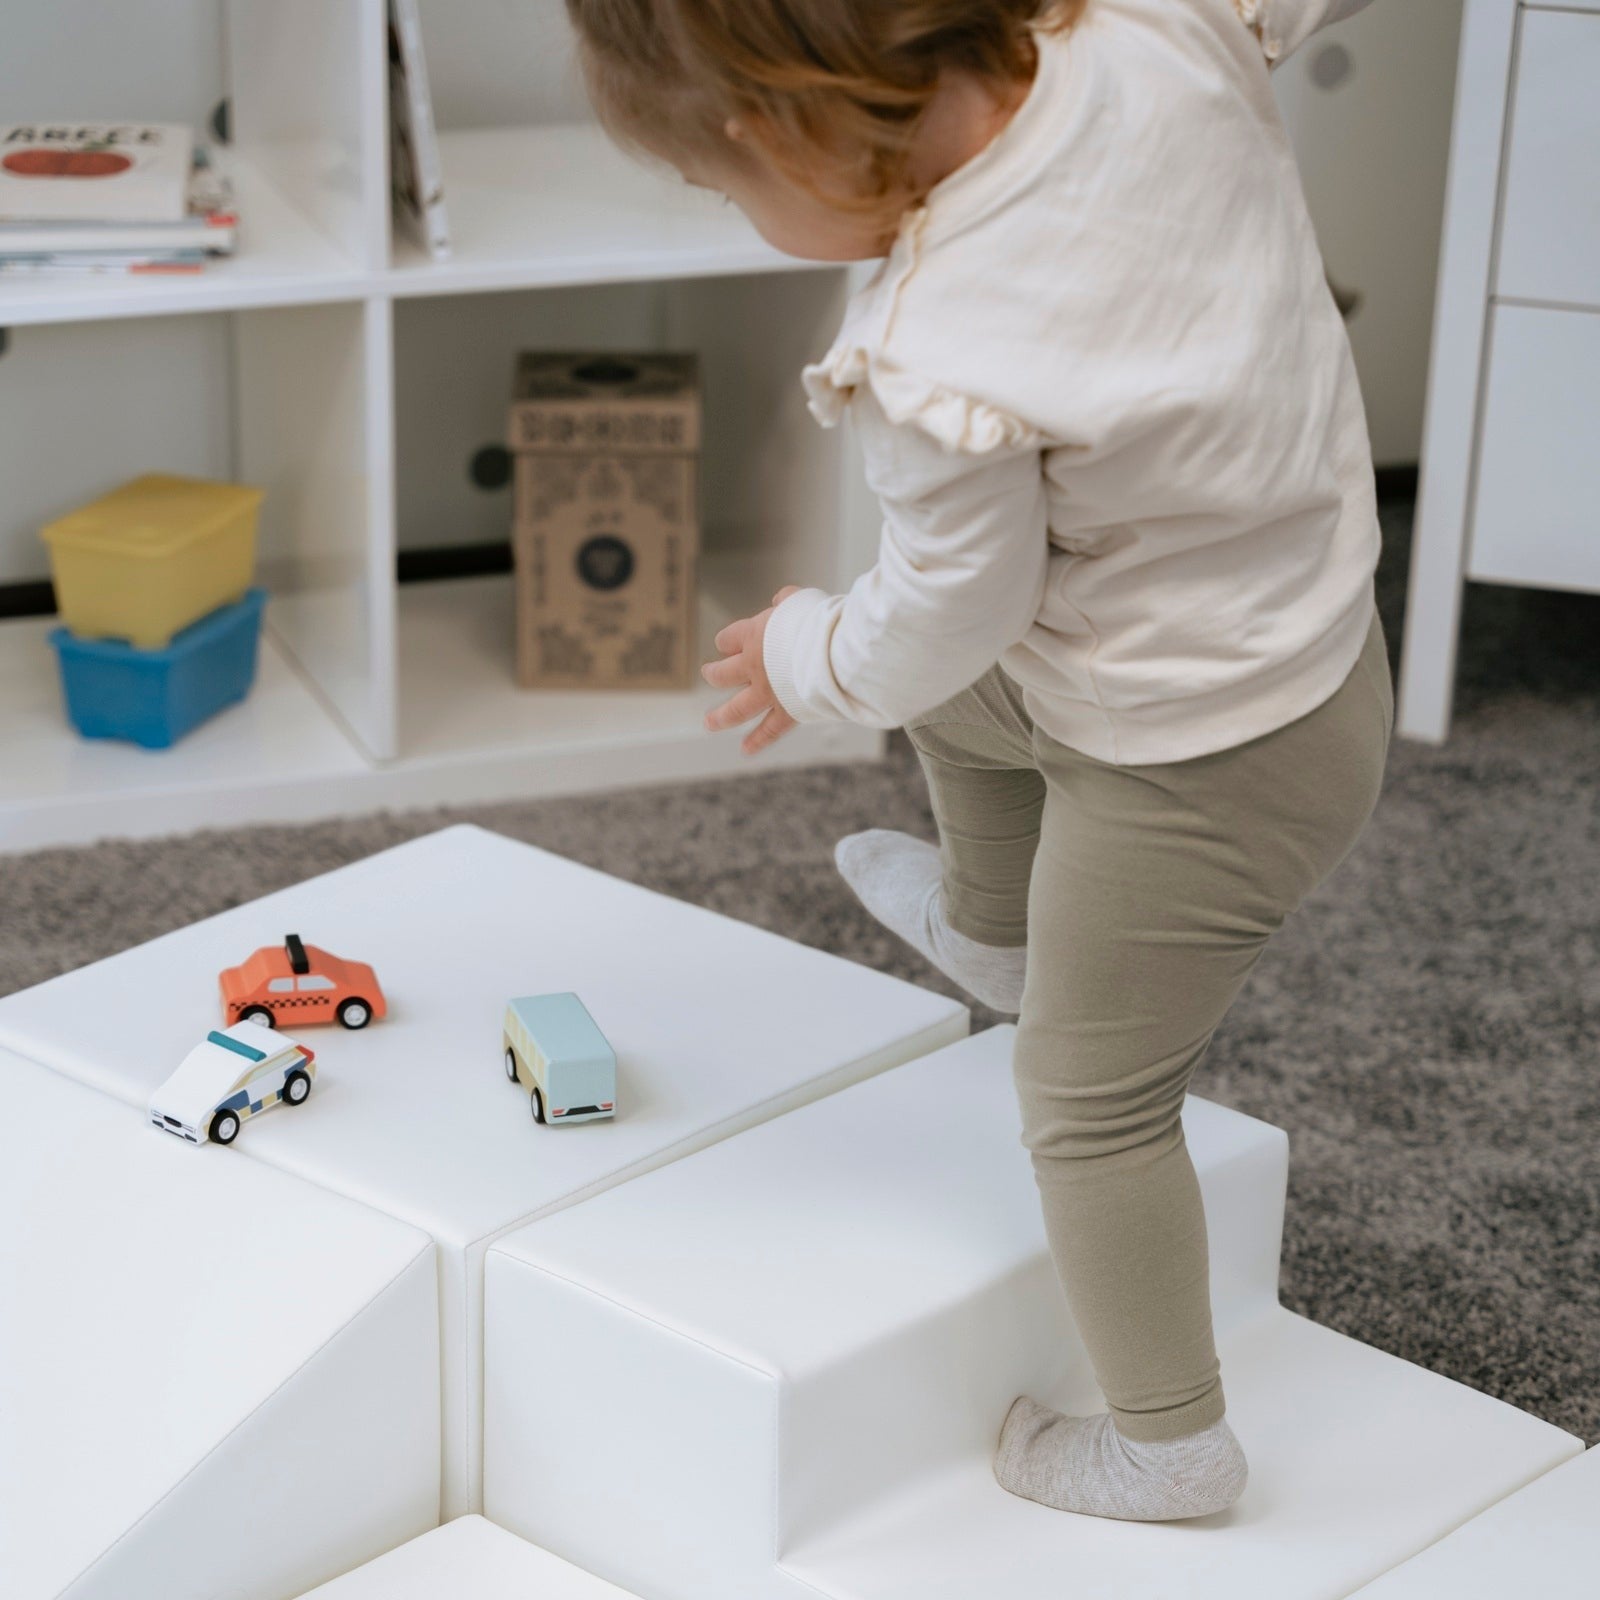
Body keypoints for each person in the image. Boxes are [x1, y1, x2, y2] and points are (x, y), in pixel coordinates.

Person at [567, 0, 1391, 1522]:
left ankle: (1168, 1444)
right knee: (970, 707)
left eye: (722, 190)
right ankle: (995, 933)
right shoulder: (1160, 23)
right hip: (1291, 648)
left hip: (1205, 769)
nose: (744, 222)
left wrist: (808, 655)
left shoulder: (941, 341)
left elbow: (947, 612)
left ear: (774, 127)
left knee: (1090, 1106)